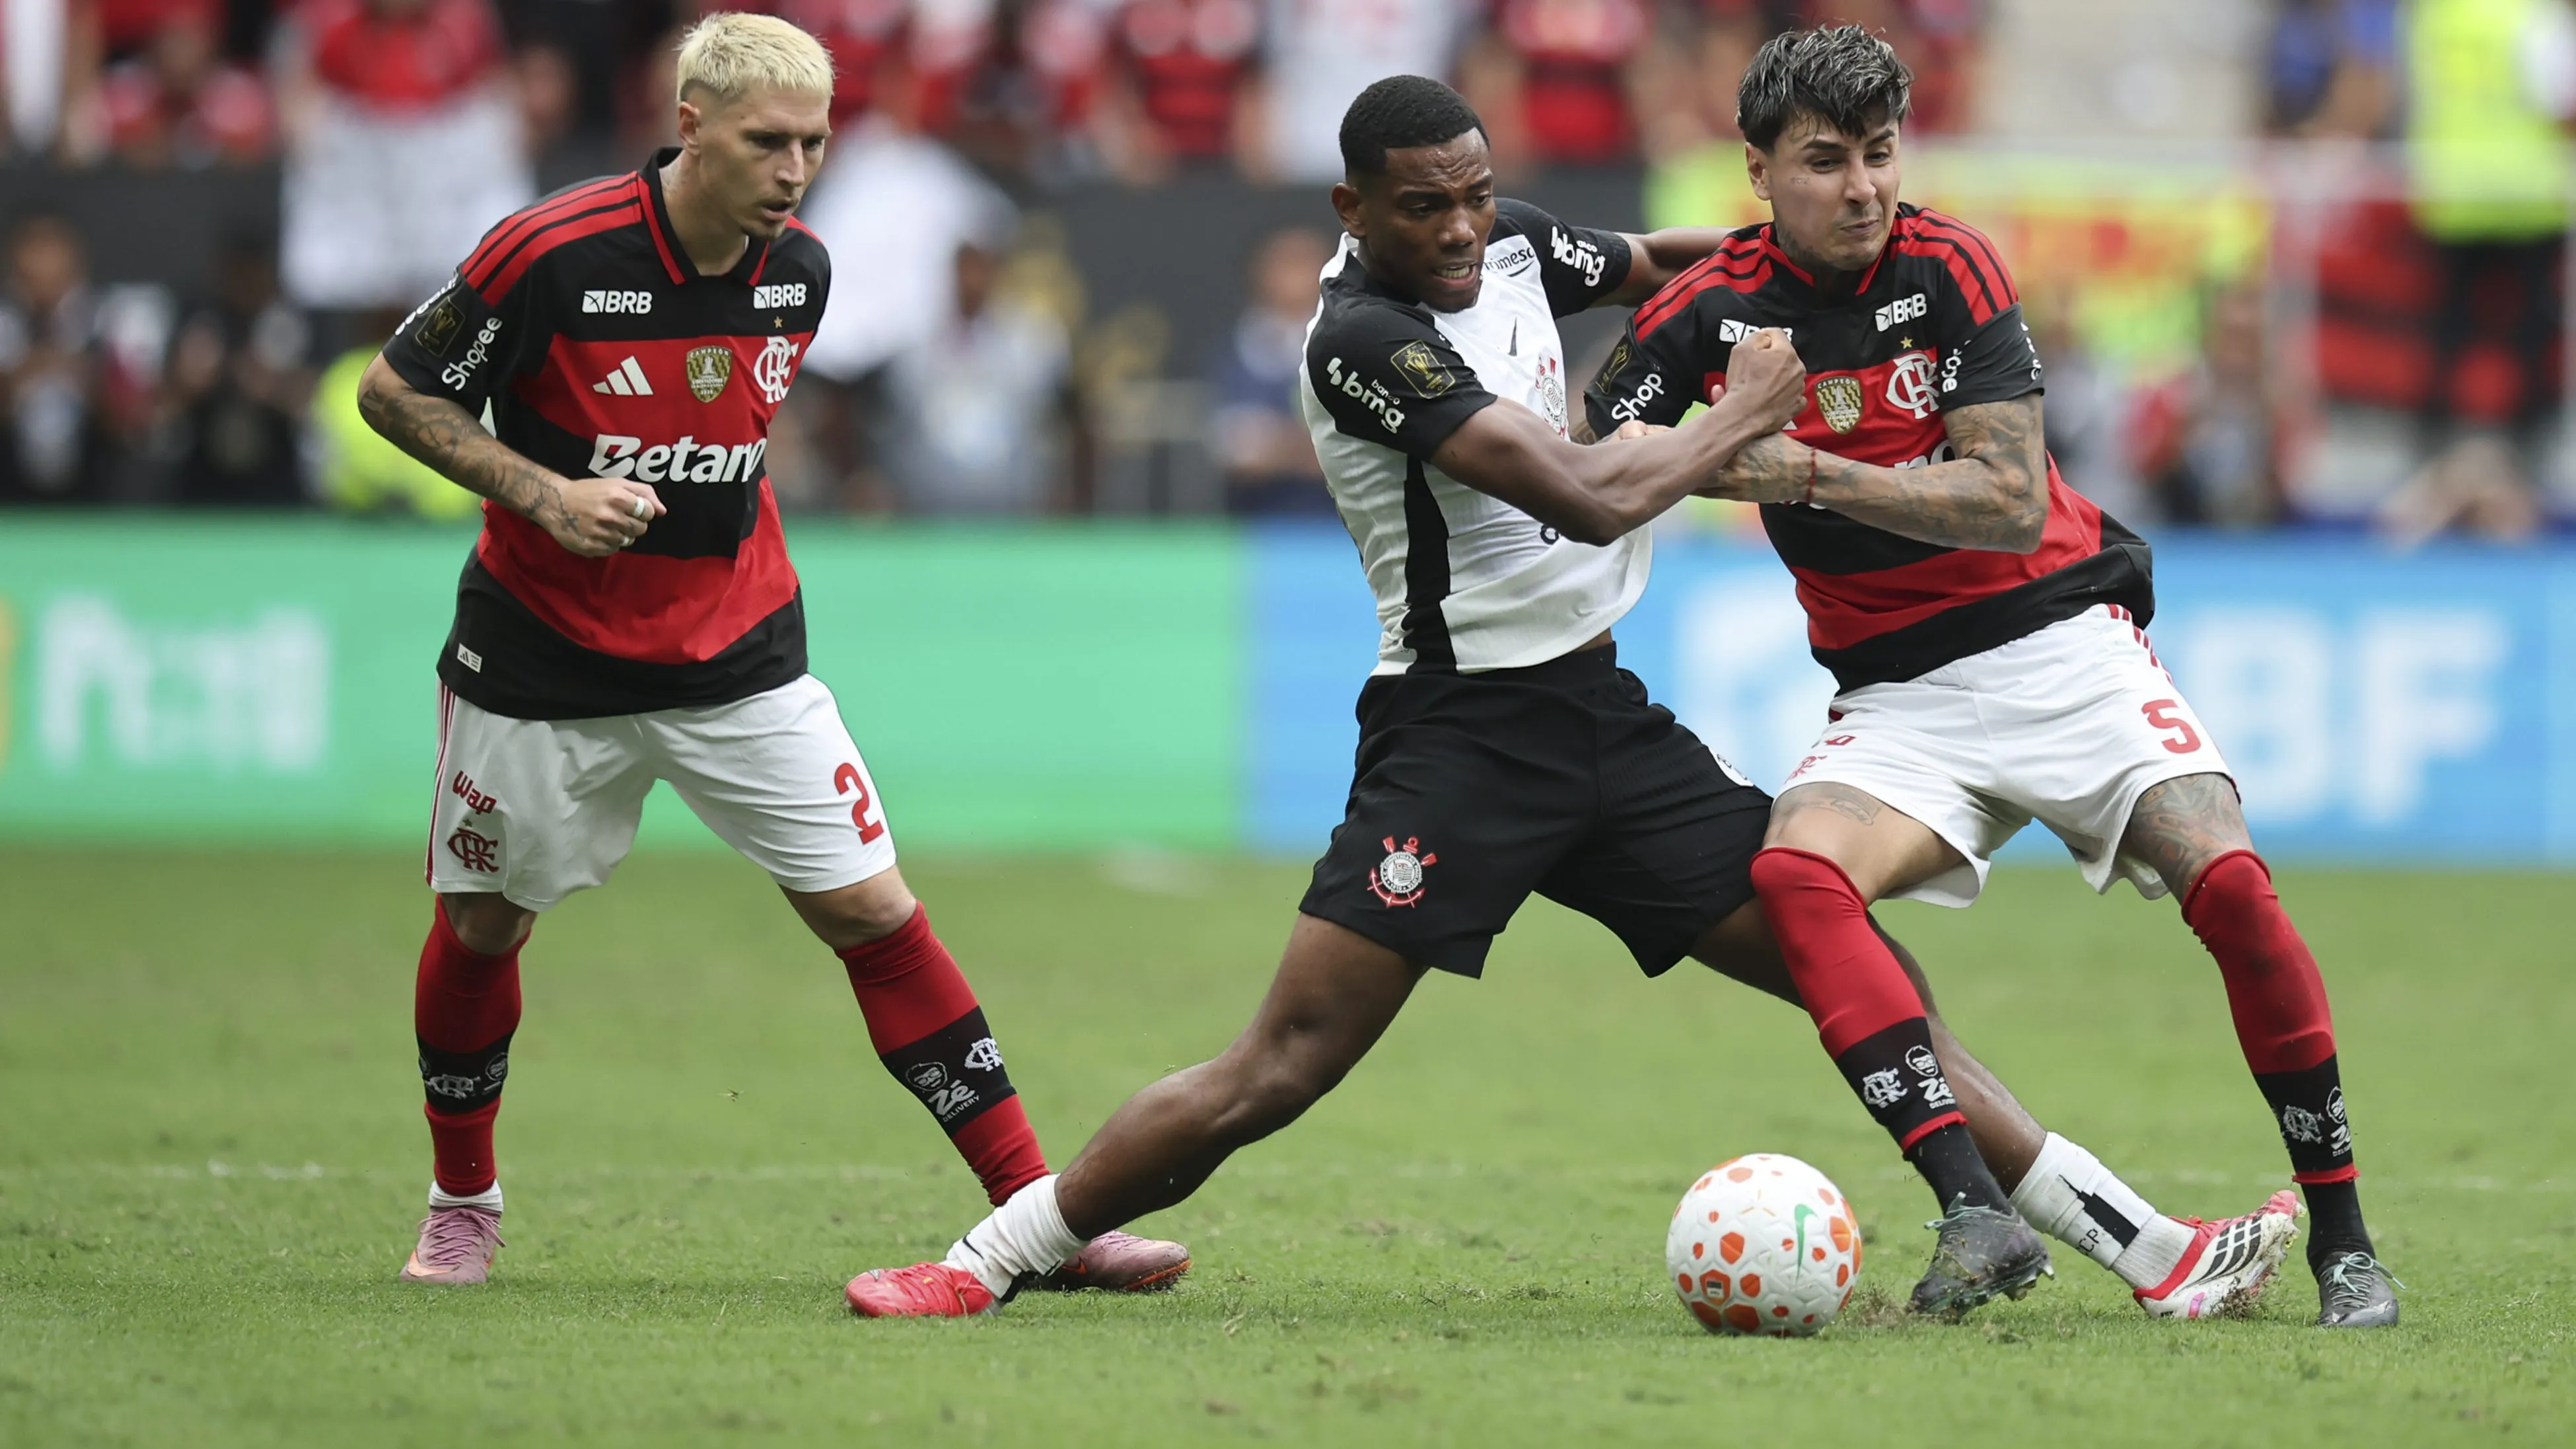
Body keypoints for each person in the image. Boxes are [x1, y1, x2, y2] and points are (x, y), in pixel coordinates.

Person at [843, 75, 2296, 1324]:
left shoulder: (1515, 244)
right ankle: (994, 1256)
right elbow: (1593, 494)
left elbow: (1676, 257)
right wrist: (1743, 413)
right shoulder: (1361, 345)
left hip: (1602, 722)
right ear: (1354, 211)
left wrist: (1806, 269)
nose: (1465, 228)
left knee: (1850, 972)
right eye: (1425, 207)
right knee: (1280, 1065)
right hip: (1457, 745)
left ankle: (2140, 1248)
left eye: (1477, 195)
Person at [353, 11, 1186, 1294]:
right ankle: (463, 1196)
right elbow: (394, 394)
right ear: (691, 127)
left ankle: (1036, 1212)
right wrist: (546, 495)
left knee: (873, 907)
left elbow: (722, 440)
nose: (796, 169)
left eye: (815, 141)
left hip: (739, 654)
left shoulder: (802, 270)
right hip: (541, 663)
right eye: (767, 142)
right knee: (480, 923)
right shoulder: (551, 253)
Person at [1581, 27, 2397, 1328]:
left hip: (2060, 644)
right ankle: (1975, 1208)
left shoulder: (1949, 264)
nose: (1864, 187)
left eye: (1882, 154)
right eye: (1827, 160)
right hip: (1898, 699)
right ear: (1757, 170)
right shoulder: (1705, 314)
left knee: (2231, 881)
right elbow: (1590, 469)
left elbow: (2011, 503)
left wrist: (1788, 464)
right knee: (1796, 878)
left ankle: (2345, 1240)